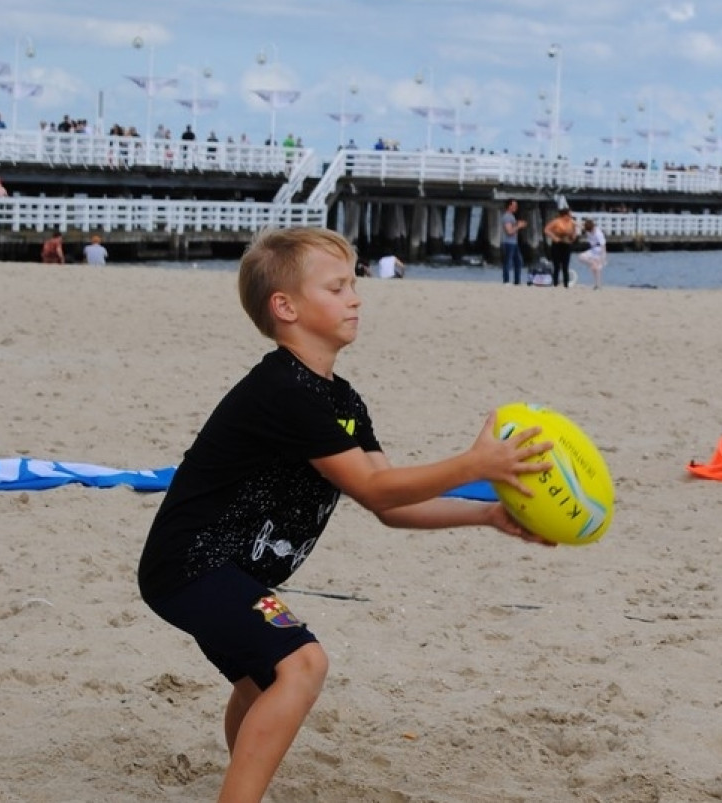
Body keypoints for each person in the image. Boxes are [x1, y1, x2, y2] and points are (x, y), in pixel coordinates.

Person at [136, 226, 554, 803]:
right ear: (285, 307)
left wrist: (483, 517)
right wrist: (475, 464)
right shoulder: (285, 391)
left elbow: (390, 506)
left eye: (353, 284)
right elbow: (378, 488)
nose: (355, 297)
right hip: (192, 566)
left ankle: (241, 783)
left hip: (225, 573)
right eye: (336, 287)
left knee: (265, 680)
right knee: (303, 664)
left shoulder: (341, 400)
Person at [542, 207, 577, 288]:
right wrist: (554, 237)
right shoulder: (556, 221)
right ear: (565, 215)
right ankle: (555, 284)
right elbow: (546, 230)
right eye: (569, 215)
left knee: (565, 265)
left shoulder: (571, 222)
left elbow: (574, 233)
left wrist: (573, 236)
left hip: (567, 244)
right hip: (557, 244)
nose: (570, 216)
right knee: (557, 265)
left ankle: (566, 284)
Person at [500, 198, 526, 285]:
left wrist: (517, 224)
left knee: (518, 261)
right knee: (508, 262)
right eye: (514, 205)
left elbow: (512, 227)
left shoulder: (511, 216)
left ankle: (517, 281)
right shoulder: (507, 216)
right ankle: (506, 281)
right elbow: (509, 231)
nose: (516, 207)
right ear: (509, 206)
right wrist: (519, 226)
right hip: (508, 243)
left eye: (516, 205)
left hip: (514, 243)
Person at [577, 218, 608, 289]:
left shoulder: (598, 233)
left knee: (596, 269)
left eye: (590, 230)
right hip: (592, 250)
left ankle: (598, 285)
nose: (589, 232)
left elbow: (603, 245)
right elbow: (581, 225)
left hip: (599, 251)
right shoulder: (588, 229)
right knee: (581, 257)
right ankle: (592, 263)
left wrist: (603, 257)